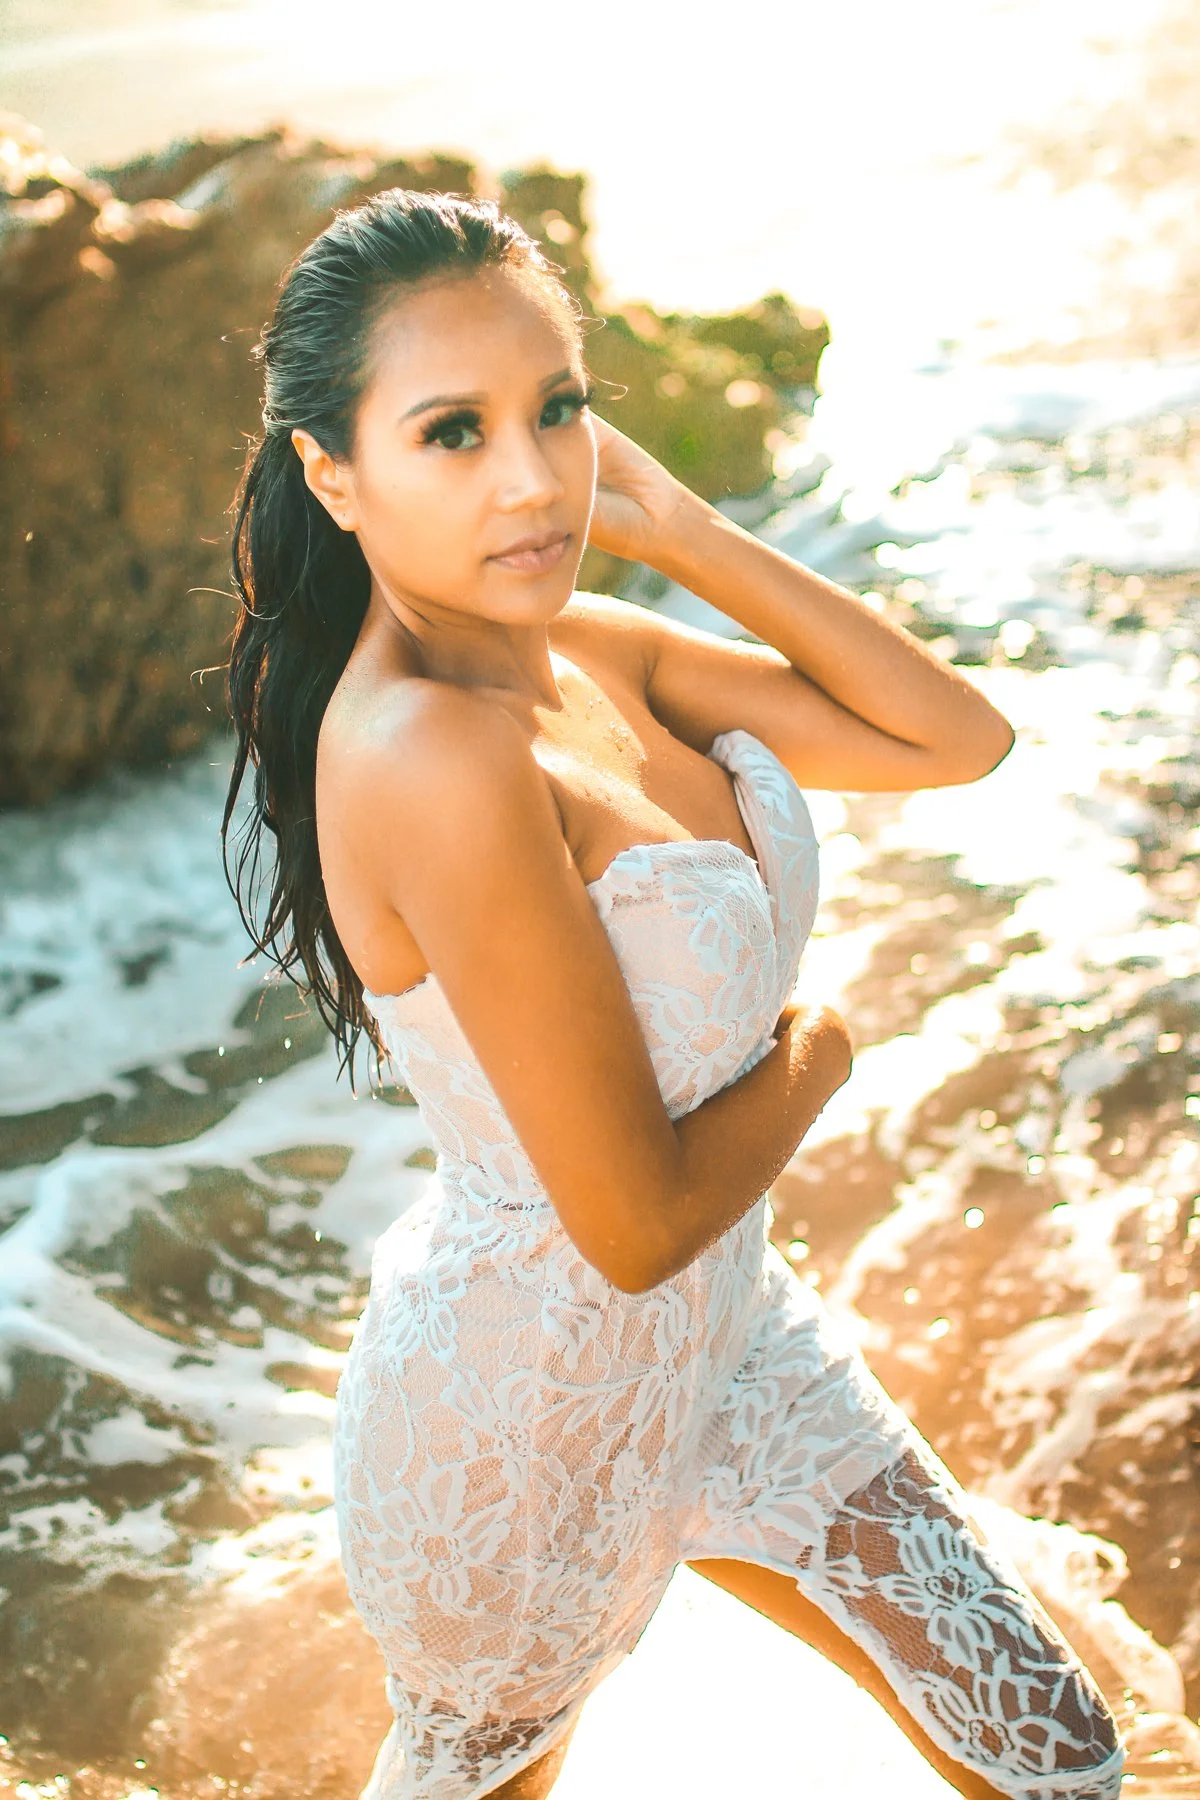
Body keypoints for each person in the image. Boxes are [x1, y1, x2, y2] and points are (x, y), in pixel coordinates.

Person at [222, 188, 1125, 1800]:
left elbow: (954, 741)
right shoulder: (427, 750)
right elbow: (632, 1217)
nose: (531, 475)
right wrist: (824, 1052)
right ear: (331, 473)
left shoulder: (594, 648)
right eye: (452, 431)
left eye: (557, 407)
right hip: (518, 1436)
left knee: (1058, 1762)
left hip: (734, 1349)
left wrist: (693, 537)